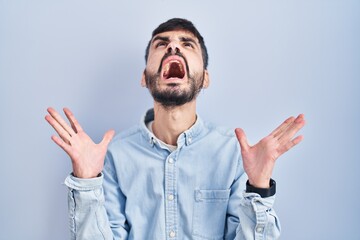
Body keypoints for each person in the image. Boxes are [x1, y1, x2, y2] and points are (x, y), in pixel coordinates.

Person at [45, 18, 305, 240]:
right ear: (145, 77)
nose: (172, 47)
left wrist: (259, 188)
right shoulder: (115, 155)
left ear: (205, 78)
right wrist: (86, 182)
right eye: (162, 43)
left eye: (187, 44)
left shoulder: (233, 153)